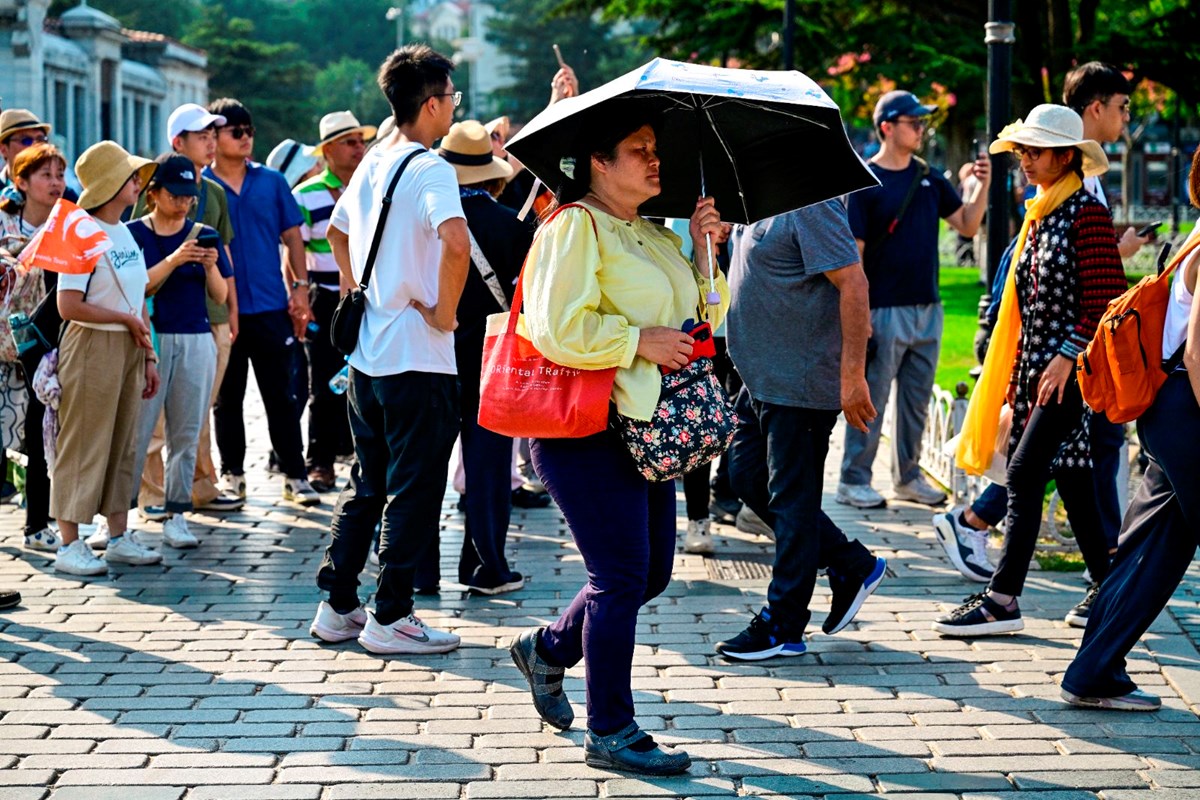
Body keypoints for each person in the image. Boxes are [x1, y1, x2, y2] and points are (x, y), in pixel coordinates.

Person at [507, 112, 729, 776]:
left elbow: (702, 317)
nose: (655, 161)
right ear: (599, 162)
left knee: (651, 572)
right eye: (640, 151)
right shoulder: (574, 224)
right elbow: (555, 327)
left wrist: (702, 248)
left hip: (644, 428)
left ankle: (548, 649)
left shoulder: (652, 233)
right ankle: (611, 728)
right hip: (584, 428)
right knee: (622, 576)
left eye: (655, 150)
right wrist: (637, 341)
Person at [935, 63, 1142, 599]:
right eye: (1023, 150)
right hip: (1037, 376)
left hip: (1066, 376)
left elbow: (1105, 301)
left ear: (1065, 157)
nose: (1024, 160)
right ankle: (1110, 586)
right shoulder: (1043, 214)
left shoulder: (1084, 215)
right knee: (1072, 479)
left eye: (1035, 151)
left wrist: (1067, 355)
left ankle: (1002, 599)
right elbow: (1026, 308)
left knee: (1024, 474)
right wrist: (1016, 375)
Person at [310, 44, 469, 655]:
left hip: (369, 356)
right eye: (451, 97)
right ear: (430, 103)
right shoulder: (432, 169)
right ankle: (392, 613)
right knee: (416, 488)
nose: (453, 107)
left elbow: (335, 230)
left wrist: (359, 288)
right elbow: (455, 243)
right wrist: (444, 312)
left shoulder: (377, 158)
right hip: (418, 356)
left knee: (369, 484)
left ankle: (339, 604)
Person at [1059, 149, 1200, 712]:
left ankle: (1092, 671)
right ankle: (1093, 670)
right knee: (1154, 547)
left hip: (1168, 408)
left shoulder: (1195, 235)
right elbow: (1198, 351)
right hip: (1188, 410)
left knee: (1153, 547)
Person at [716, 198, 887, 659]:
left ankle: (785, 623)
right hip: (760, 379)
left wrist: (852, 377)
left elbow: (853, 284)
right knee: (746, 477)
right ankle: (851, 564)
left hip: (801, 381)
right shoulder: (760, 201)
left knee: (793, 501)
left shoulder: (811, 203)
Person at [838, 90, 990, 509]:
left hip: (929, 307)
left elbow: (967, 225)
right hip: (884, 309)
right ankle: (853, 479)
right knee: (873, 399)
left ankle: (908, 478)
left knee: (917, 401)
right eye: (914, 121)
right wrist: (860, 315)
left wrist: (981, 186)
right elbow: (856, 255)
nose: (922, 128)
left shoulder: (929, 176)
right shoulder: (865, 182)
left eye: (923, 122)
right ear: (887, 126)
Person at [50, 141, 163, 576]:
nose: (139, 182)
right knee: (83, 442)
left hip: (129, 344)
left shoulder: (126, 232)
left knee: (122, 442)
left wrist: (148, 355)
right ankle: (69, 543)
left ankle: (118, 534)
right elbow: (68, 304)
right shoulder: (80, 231)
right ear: (111, 184)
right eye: (131, 175)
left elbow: (137, 300)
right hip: (92, 343)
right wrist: (123, 320)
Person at [203, 98, 319, 506]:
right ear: (214, 136)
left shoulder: (271, 181)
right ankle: (232, 475)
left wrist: (300, 287)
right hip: (219, 309)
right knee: (227, 399)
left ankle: (295, 475)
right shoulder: (201, 185)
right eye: (237, 130)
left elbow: (292, 237)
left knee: (282, 397)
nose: (246, 137)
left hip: (271, 305)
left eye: (249, 129)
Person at [433, 119, 532, 594]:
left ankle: (415, 568)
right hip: (491, 358)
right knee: (489, 467)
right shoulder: (510, 225)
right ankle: (485, 566)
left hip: (431, 351)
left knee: (424, 465)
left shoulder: (428, 220)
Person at [132, 103, 244, 518]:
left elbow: (224, 251)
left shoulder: (212, 193)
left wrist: (232, 309)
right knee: (153, 422)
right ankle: (151, 495)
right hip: (159, 323)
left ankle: (198, 489)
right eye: (202, 136)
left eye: (215, 135)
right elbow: (136, 263)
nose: (212, 142)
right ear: (178, 141)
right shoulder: (149, 186)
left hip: (208, 321)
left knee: (193, 414)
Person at [121, 155, 231, 549]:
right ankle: (121, 518)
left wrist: (209, 267)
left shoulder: (203, 233)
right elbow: (138, 287)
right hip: (150, 338)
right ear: (153, 194)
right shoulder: (133, 234)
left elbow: (219, 295)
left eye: (189, 196)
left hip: (196, 336)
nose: (183, 203)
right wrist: (174, 259)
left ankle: (178, 513)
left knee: (186, 432)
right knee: (138, 432)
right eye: (175, 195)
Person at [294, 111, 374, 493]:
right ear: (327, 151)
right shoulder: (305, 195)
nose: (359, 148)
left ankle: (358, 455)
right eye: (350, 142)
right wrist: (298, 297)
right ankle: (320, 462)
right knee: (322, 382)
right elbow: (292, 252)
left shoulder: (371, 187)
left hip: (365, 296)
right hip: (323, 298)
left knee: (367, 379)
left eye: (361, 141)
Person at [0, 143, 65, 553]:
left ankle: (37, 523)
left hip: (42, 349)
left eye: (59, 175)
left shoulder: (68, 226)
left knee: (39, 437)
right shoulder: (3, 222)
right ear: (20, 182)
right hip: (1, 347)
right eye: (46, 175)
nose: (56, 184)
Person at [0, 110, 76, 204]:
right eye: (26, 141)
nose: (35, 146)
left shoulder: (65, 196)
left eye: (40, 140)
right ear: (3, 149)